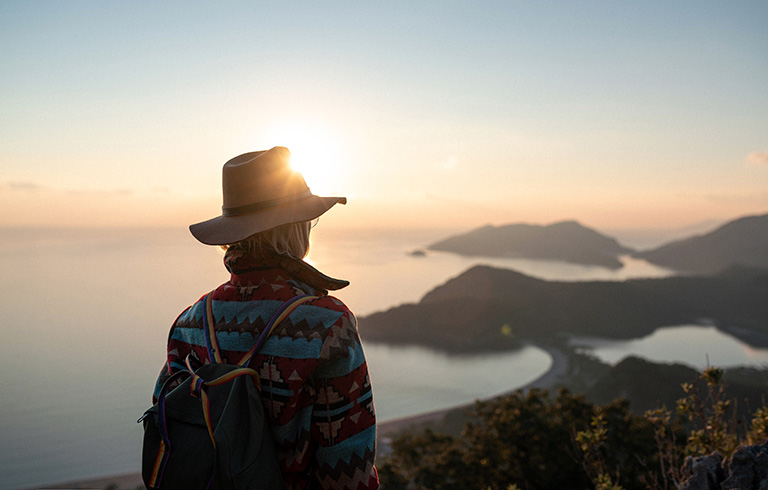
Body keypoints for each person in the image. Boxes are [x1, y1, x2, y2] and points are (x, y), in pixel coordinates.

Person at [152, 147, 379, 489]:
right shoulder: (326, 325)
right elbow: (348, 468)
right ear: (296, 227)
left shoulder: (189, 323)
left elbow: (168, 430)